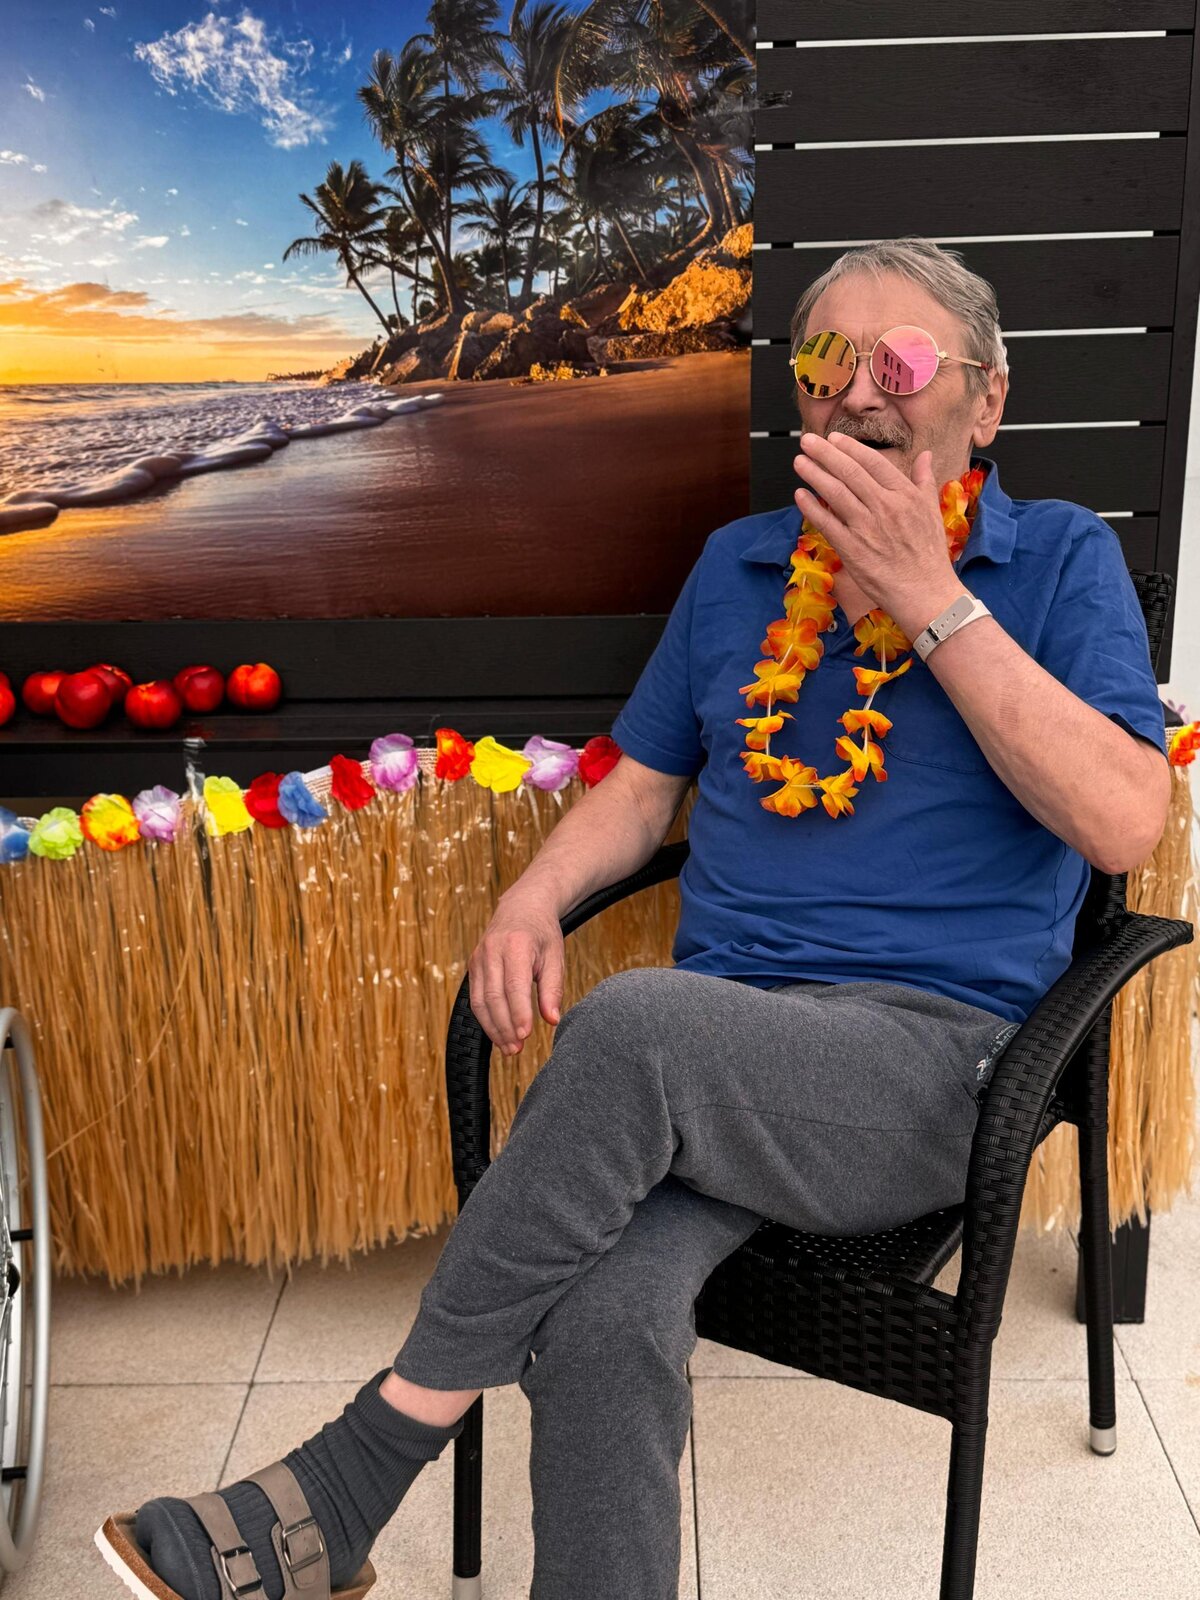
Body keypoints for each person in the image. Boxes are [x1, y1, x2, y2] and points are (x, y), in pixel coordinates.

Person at [96, 238, 1172, 1600]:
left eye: (900, 362)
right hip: (718, 1052)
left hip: (932, 1064)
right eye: (825, 361)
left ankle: (357, 1475)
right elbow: (642, 786)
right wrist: (531, 897)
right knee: (603, 1309)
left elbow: (1124, 823)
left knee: (631, 1029)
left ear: (986, 400)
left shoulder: (1063, 560)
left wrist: (928, 595)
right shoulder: (738, 570)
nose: (857, 391)